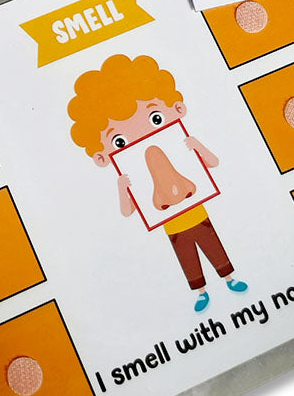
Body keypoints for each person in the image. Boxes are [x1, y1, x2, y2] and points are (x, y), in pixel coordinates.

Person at [68, 54, 248, 312]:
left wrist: (197, 145)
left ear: (177, 109)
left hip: (198, 214)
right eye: (119, 141)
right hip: (171, 226)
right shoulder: (129, 173)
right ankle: (201, 292)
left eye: (155, 118)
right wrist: (121, 187)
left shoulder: (181, 146)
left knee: (212, 246)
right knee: (187, 258)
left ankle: (229, 278)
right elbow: (127, 211)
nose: (141, 136)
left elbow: (213, 162)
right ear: (102, 156)